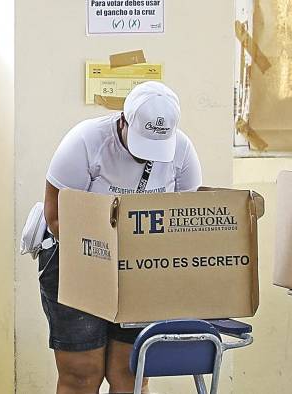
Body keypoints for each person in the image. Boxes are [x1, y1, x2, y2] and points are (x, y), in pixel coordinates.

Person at [40, 81, 202, 393]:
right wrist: (106, 254)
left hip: (142, 268)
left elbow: (185, 221)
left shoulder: (181, 149)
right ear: (123, 121)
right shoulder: (86, 142)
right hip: (77, 260)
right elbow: (56, 217)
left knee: (130, 372)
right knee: (82, 373)